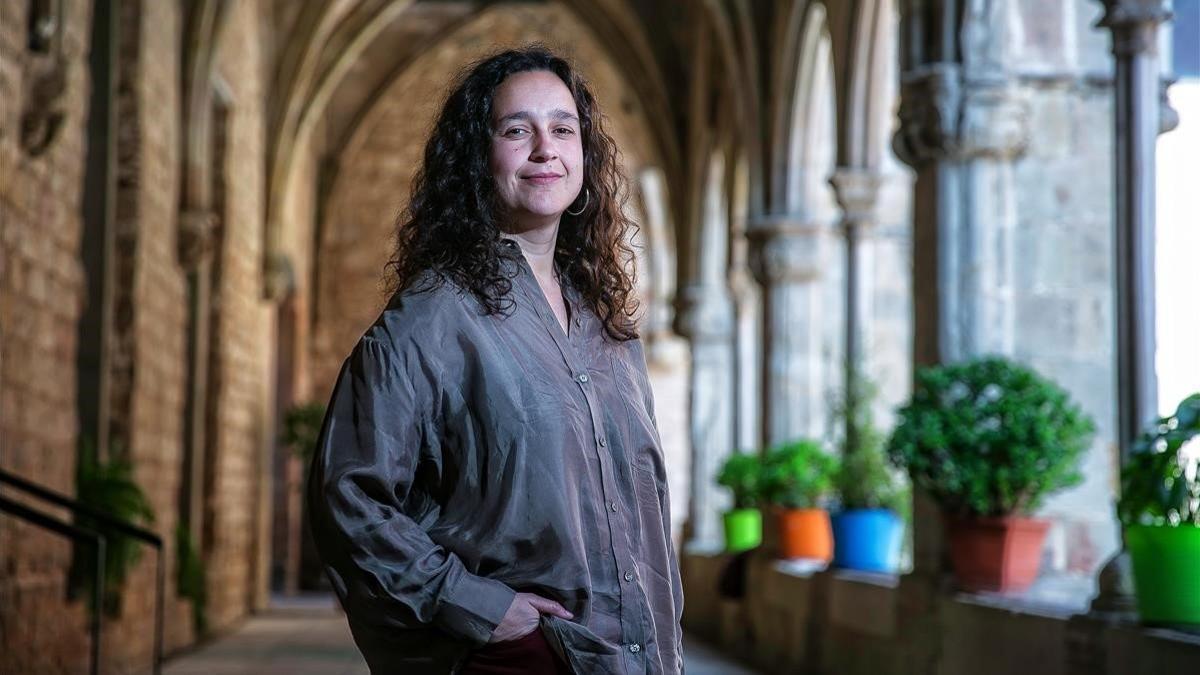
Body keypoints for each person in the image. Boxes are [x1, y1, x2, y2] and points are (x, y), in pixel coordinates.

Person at [306, 46, 684, 675]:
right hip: (519, 662)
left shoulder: (606, 325)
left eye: (563, 129)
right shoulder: (433, 318)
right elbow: (349, 498)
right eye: (517, 130)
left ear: (585, 155)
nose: (545, 149)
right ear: (476, 157)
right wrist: (484, 609)